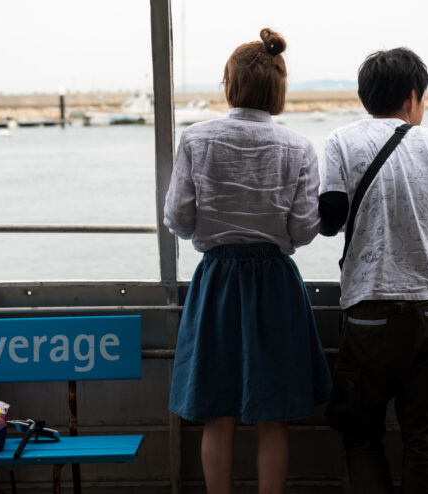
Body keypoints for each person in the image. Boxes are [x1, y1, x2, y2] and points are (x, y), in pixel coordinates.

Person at [164, 28, 332, 494]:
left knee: (217, 414)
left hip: (217, 279)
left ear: (230, 84)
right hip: (275, 284)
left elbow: (177, 218)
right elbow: (303, 230)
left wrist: (213, 232)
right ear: (278, 88)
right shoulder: (298, 147)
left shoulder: (196, 140)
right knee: (272, 415)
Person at [318, 47, 428, 494]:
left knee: (362, 433)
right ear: (413, 97)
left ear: (365, 96)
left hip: (367, 315)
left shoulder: (340, 142)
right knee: (425, 441)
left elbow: (329, 218)